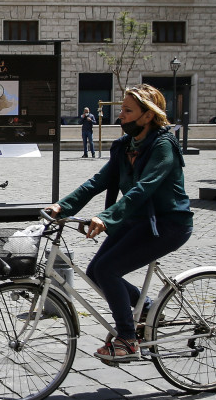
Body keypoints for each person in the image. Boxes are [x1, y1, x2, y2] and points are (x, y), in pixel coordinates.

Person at [45, 84, 193, 363]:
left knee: (108, 269)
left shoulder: (163, 146)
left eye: (128, 110)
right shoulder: (125, 146)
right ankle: (145, 307)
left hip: (168, 224)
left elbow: (144, 188)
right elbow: (97, 182)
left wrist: (106, 217)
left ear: (148, 116)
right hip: (136, 219)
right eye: (121, 110)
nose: (121, 116)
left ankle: (128, 337)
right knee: (96, 271)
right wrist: (62, 206)